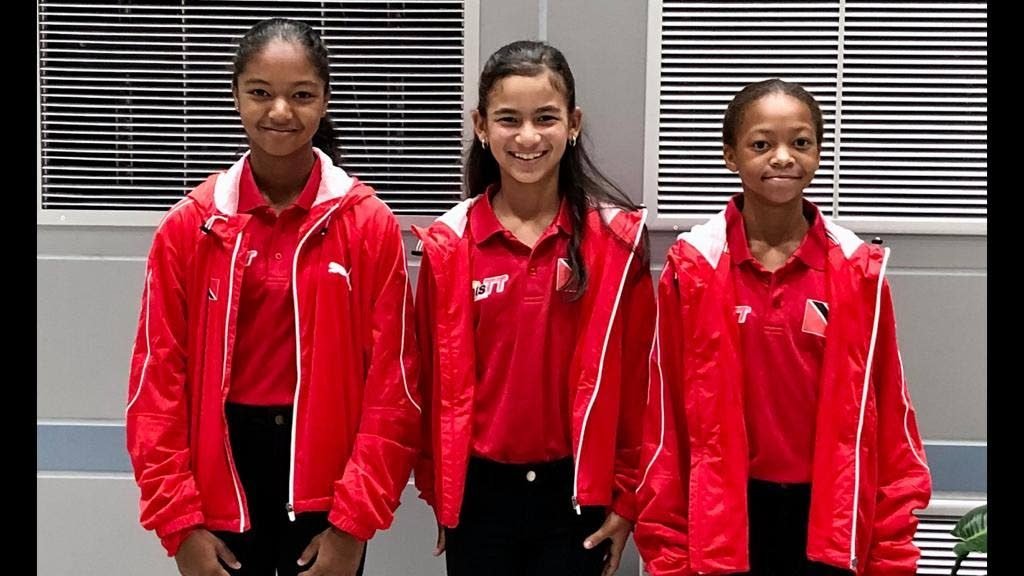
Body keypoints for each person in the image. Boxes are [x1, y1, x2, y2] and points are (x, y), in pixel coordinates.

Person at [124, 17, 421, 576]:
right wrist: (179, 524)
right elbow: (156, 384)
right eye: (261, 92)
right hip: (222, 483)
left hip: (328, 489)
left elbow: (393, 388)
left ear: (325, 102)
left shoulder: (368, 225)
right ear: (236, 96)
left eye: (301, 95)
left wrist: (354, 523)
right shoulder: (192, 226)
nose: (280, 111)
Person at [633, 78, 932, 576]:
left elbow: (890, 419)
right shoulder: (694, 269)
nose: (783, 157)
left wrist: (891, 551)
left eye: (800, 142)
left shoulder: (859, 270)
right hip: (727, 524)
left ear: (817, 152)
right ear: (731, 155)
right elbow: (665, 423)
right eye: (761, 143)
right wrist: (669, 550)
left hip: (828, 523)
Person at [411, 40, 656, 576]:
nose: (527, 137)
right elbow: (426, 381)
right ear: (480, 125)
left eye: (546, 118)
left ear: (572, 124)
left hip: (577, 499)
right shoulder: (448, 244)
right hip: (480, 499)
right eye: (508, 119)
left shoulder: (616, 243)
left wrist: (626, 497)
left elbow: (642, 385)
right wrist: (441, 489)